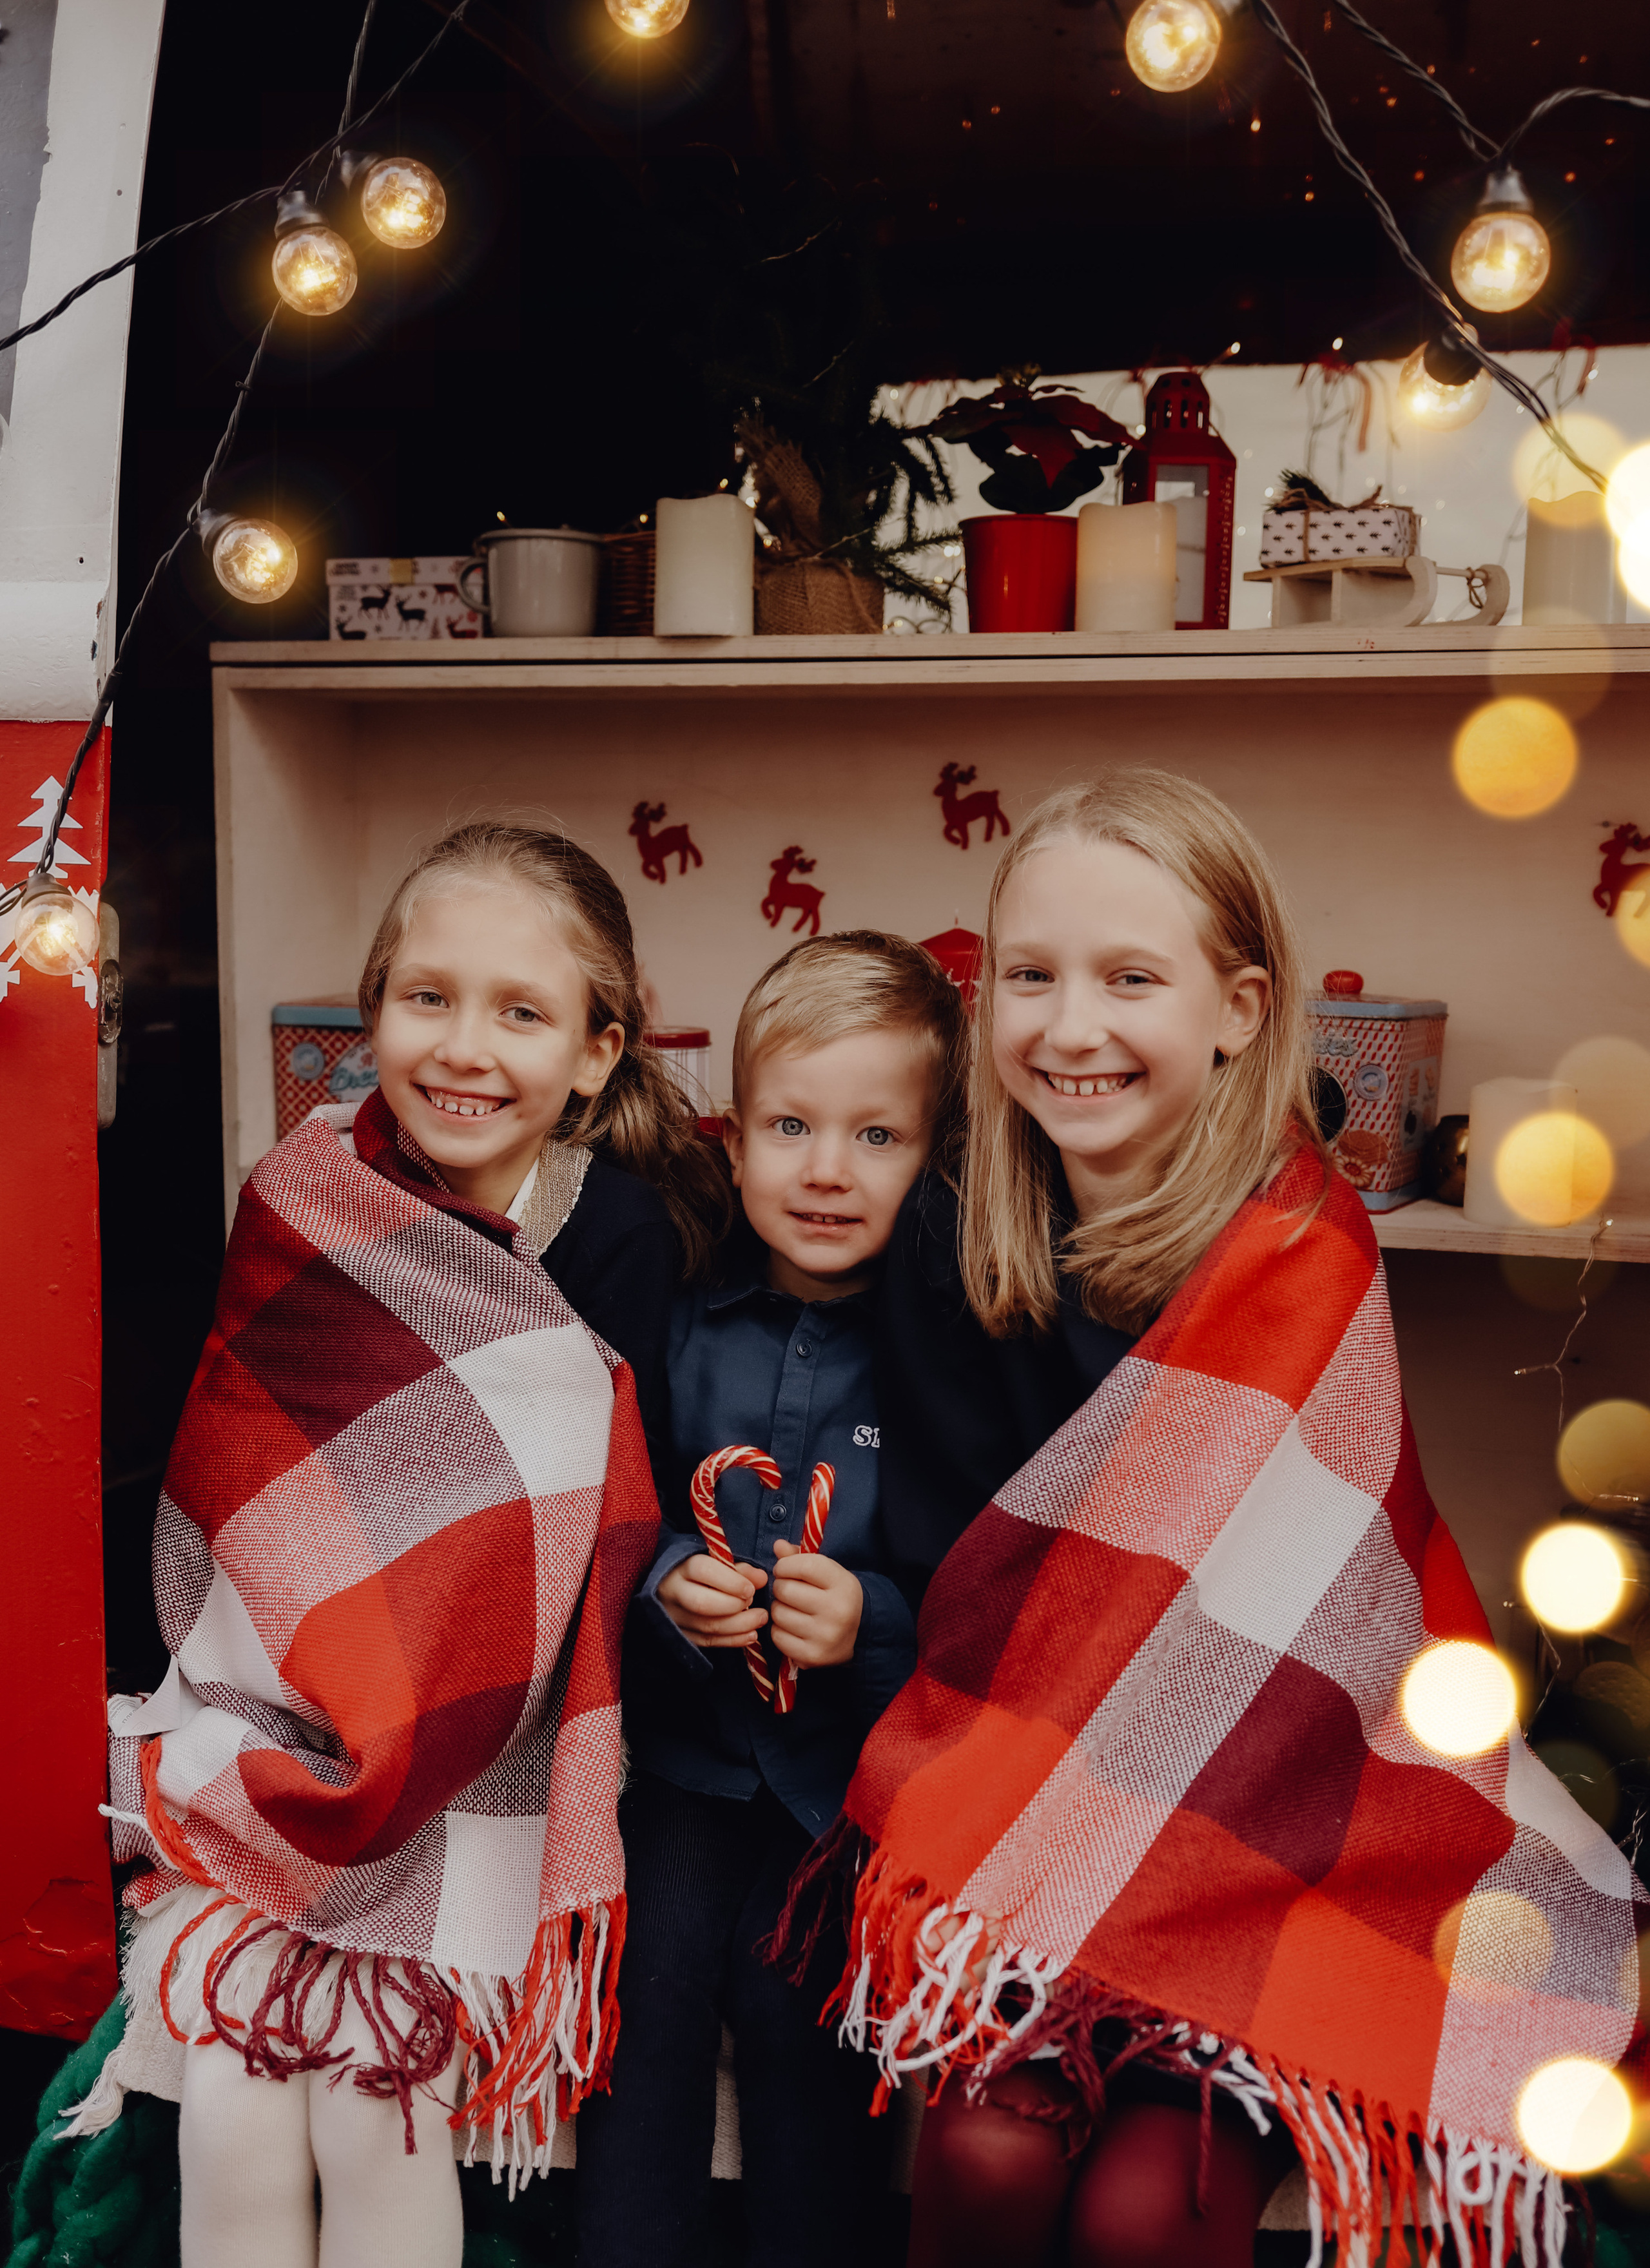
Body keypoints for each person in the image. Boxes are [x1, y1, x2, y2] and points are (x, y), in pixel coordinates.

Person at [811, 771, 1641, 2268]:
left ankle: (1190, 2027)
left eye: (1131, 978)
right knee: (991, 2153)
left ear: (1239, 1006)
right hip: (1027, 1780)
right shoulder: (953, 1226)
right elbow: (965, 1587)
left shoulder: (1298, 1242)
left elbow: (1325, 1611)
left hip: (1276, 1810)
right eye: (1031, 976)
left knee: (1150, 2209)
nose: (1071, 1027)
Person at [68, 821, 728, 2268]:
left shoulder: (624, 1236)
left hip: (499, 1749)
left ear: (597, 1054)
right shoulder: (301, 1204)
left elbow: (601, 1520)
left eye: (522, 1012)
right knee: (233, 2094)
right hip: (293, 1725)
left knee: (380, 2106)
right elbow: (248, 1497)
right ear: (371, 1013)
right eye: (426, 997)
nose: (464, 1048)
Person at [574, 932, 968, 2268]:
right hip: (690, 1765)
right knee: (652, 1981)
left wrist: (872, 1623)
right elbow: (614, 1535)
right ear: (732, 1142)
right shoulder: (677, 1322)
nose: (823, 1169)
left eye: (875, 1134)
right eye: (790, 1125)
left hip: (847, 1782)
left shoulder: (951, 1354)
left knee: (800, 2003)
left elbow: (984, 1588)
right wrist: (669, 1593)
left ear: (935, 1157)